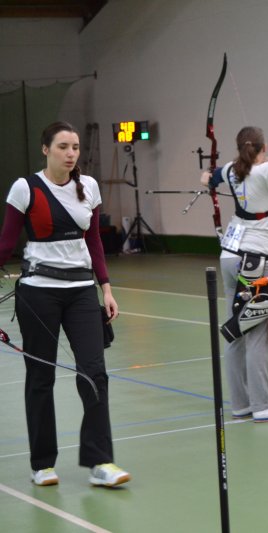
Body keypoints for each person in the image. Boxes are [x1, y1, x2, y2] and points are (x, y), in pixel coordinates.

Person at [0, 121, 129, 487]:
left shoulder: (89, 187)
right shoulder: (25, 188)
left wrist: (106, 289)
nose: (71, 153)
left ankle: (100, 462)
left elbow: (94, 242)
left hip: (82, 293)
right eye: (62, 147)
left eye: (75, 147)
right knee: (41, 377)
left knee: (95, 373)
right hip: (38, 294)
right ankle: (42, 464)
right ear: (46, 149)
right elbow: (5, 245)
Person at [201, 126, 268, 422]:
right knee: (257, 333)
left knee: (236, 330)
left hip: (230, 257)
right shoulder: (263, 172)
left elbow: (209, 177)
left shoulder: (232, 170)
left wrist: (210, 176)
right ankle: (263, 406)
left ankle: (242, 404)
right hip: (255, 261)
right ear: (263, 147)